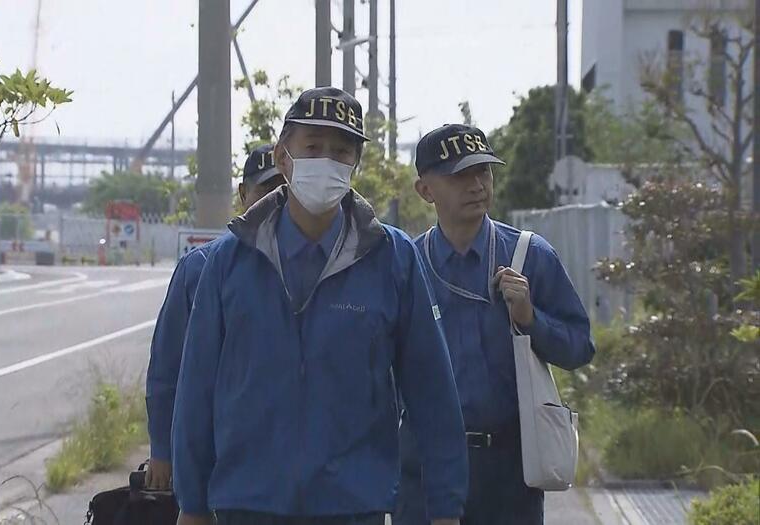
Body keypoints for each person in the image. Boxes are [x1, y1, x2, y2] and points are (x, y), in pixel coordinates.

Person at [171, 87, 468, 525]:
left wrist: (445, 508)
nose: (327, 160)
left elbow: (433, 392)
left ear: (355, 165)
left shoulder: (392, 259)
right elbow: (196, 389)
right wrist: (192, 505)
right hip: (248, 504)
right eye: (313, 146)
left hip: (351, 505)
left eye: (341, 151)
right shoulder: (229, 261)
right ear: (283, 156)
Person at [394, 124, 595, 525]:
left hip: (508, 474)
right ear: (425, 190)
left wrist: (531, 320)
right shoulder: (406, 264)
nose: (476, 185)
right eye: (459, 176)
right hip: (425, 471)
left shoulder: (529, 256)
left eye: (483, 172)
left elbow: (579, 347)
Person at [144, 143, 286, 490]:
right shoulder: (202, 268)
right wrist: (162, 450)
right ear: (243, 194)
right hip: (213, 451)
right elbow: (167, 367)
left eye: (287, 187)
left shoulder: (315, 270)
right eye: (266, 188)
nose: (278, 198)